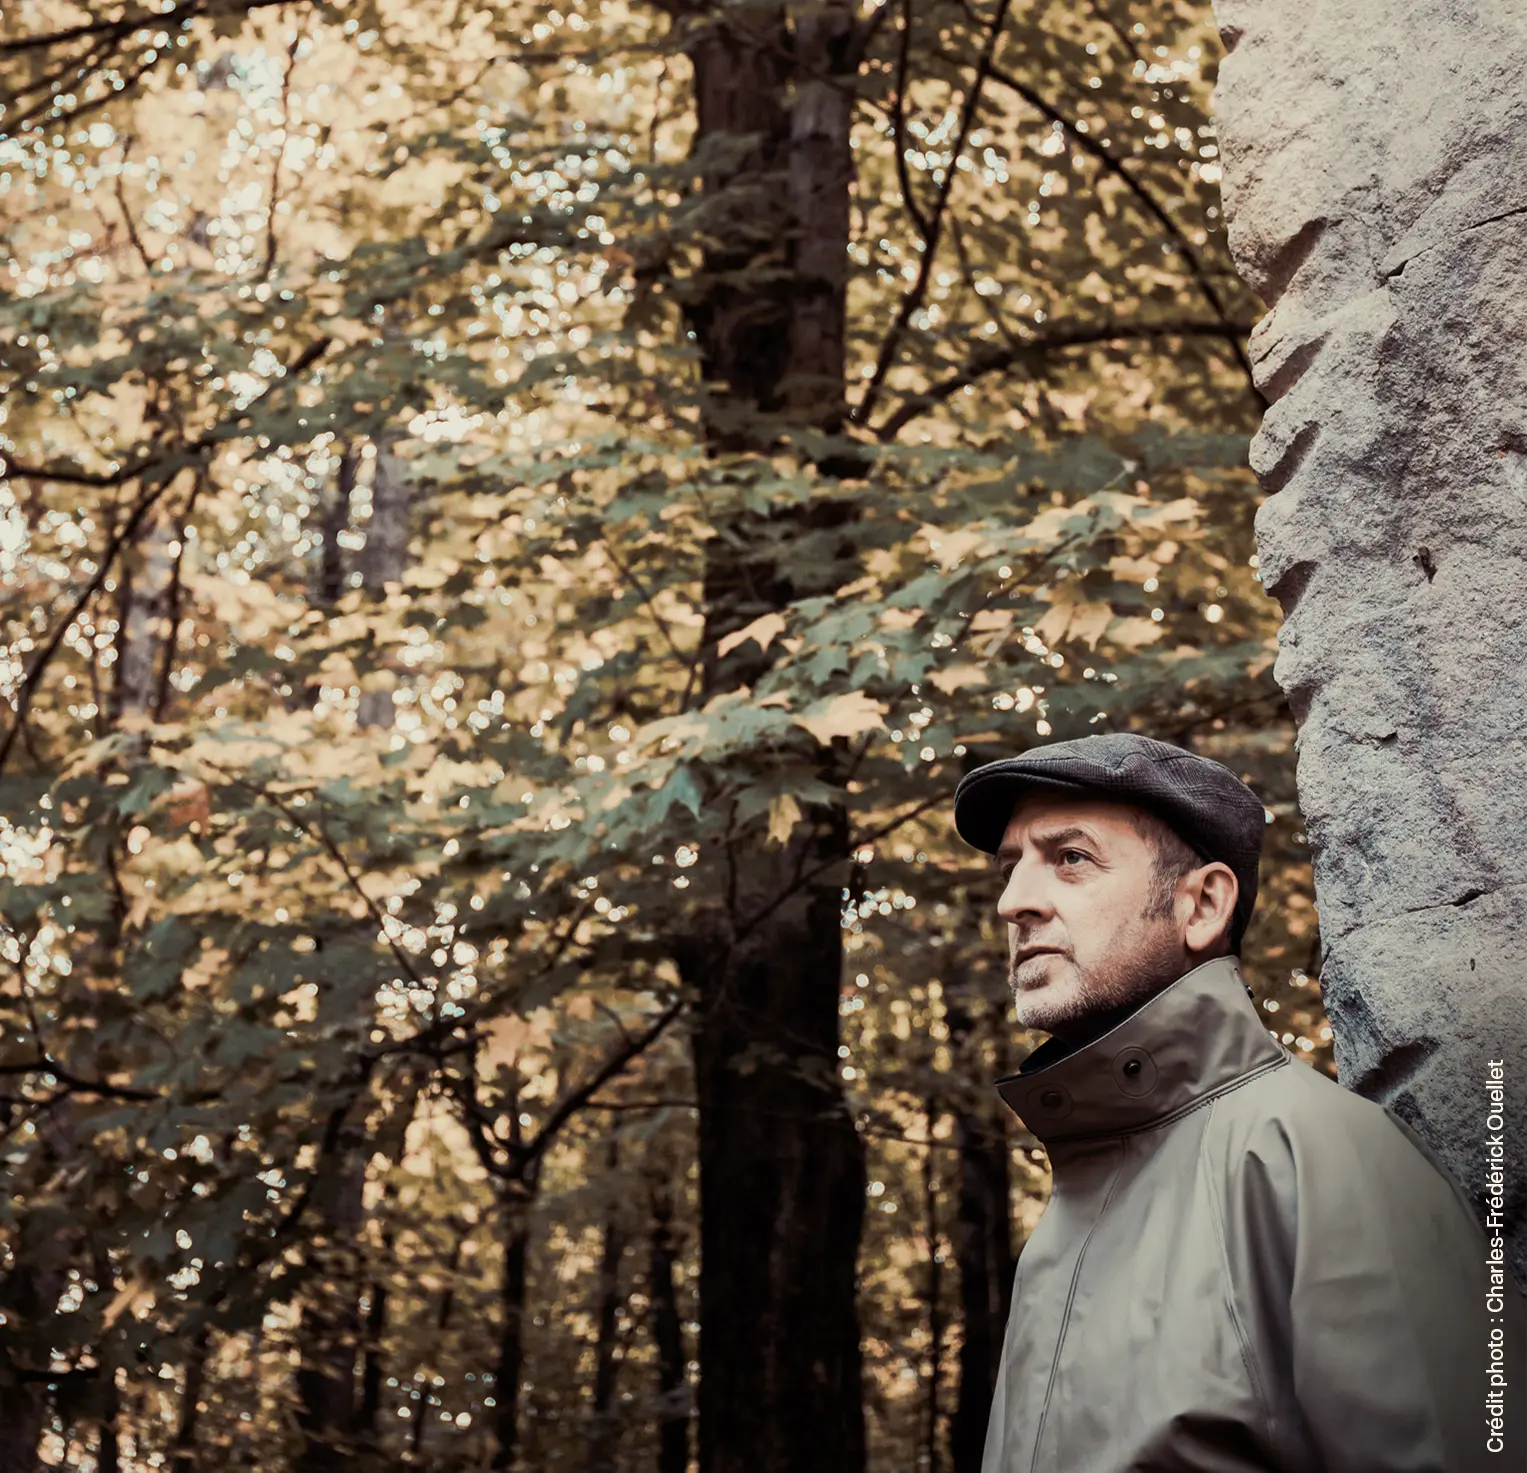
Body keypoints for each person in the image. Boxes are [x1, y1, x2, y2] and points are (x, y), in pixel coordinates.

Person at [952, 731, 1524, 1473]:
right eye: (1010, 868)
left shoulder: (1319, 1159)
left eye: (1071, 858)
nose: (1013, 902)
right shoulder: (1060, 1229)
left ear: (1201, 905)